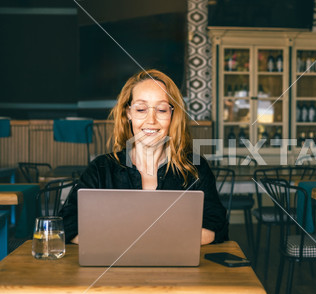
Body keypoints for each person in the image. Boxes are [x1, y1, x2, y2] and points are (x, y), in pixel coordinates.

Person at [61, 69, 228, 245]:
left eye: (162, 110)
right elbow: (67, 224)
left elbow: (217, 226)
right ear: (128, 113)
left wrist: (138, 242)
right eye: (141, 109)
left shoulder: (195, 168)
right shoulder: (100, 168)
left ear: (173, 115)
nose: (151, 120)